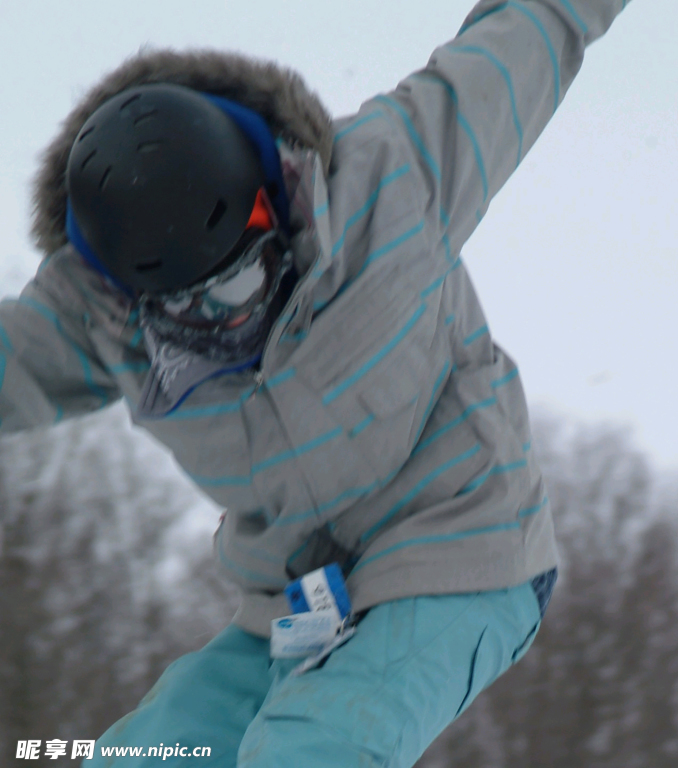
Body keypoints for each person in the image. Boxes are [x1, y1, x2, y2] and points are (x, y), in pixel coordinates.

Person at [11, 0, 630, 764]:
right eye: (187, 316)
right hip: (296, 606)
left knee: (310, 749)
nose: (223, 324)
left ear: (273, 205)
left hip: (462, 550)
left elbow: (534, 29)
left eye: (235, 290)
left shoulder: (392, 174)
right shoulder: (95, 318)